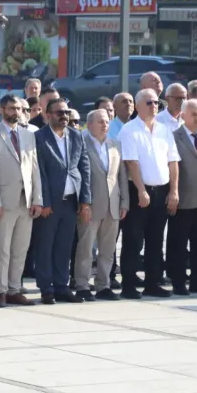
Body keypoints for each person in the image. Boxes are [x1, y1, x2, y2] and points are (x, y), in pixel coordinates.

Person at [0, 94, 43, 307]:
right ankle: (0, 290)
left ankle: (14, 289)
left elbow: (34, 169)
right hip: (3, 202)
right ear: (2, 109)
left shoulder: (28, 136)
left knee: (20, 249)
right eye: (11, 108)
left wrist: (37, 199)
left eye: (18, 108)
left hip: (25, 201)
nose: (15, 112)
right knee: (2, 249)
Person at [119, 89, 180, 299]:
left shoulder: (164, 130)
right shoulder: (129, 130)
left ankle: (153, 283)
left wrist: (174, 191)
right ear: (137, 106)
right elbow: (131, 163)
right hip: (139, 191)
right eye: (149, 102)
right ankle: (128, 284)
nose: (154, 105)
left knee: (156, 240)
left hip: (161, 190)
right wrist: (141, 190)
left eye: (156, 102)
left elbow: (173, 162)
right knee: (134, 240)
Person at [33, 98, 91, 304]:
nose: (64, 116)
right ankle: (46, 288)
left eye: (66, 112)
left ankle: (61, 286)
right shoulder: (39, 137)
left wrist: (85, 201)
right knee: (45, 246)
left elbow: (84, 168)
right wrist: (45, 202)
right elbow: (39, 171)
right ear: (48, 115)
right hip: (50, 203)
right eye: (59, 112)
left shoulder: (76, 136)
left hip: (71, 202)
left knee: (64, 247)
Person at [75, 109, 128, 302]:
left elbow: (121, 176)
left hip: (112, 205)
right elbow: (79, 176)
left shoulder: (115, 145)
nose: (105, 125)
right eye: (100, 122)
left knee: (108, 250)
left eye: (107, 121)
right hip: (90, 206)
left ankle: (103, 285)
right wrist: (83, 203)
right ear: (89, 124)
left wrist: (125, 202)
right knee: (86, 249)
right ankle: (82, 285)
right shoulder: (81, 143)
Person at [166, 98, 197, 296]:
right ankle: (178, 282)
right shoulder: (173, 137)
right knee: (179, 243)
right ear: (184, 115)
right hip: (182, 199)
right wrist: (172, 193)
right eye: (194, 114)